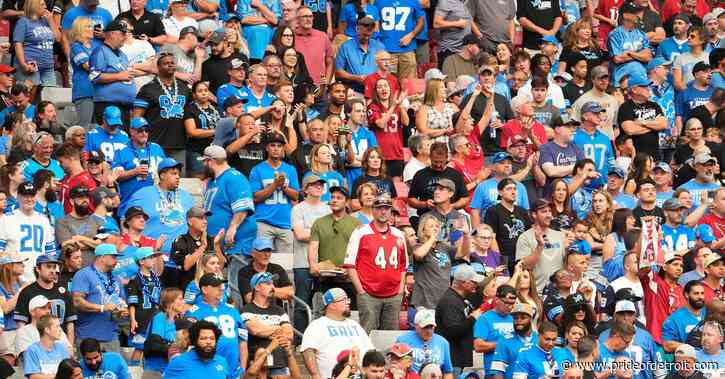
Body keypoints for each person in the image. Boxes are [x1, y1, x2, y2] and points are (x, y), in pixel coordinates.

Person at [344, 192, 407, 333]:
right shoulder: (361, 233)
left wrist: (400, 291)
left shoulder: (399, 234)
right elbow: (350, 264)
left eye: (386, 208)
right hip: (369, 294)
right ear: (373, 210)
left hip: (393, 295)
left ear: (391, 211)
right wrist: (361, 292)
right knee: (367, 334)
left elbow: (403, 266)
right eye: (379, 208)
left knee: (390, 336)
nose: (383, 211)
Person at [300, 288, 374, 379]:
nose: (348, 302)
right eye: (344, 300)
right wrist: (316, 375)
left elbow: (370, 350)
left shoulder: (355, 324)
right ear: (331, 304)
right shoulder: (317, 325)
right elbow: (308, 351)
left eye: (348, 299)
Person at [201, 145, 257, 264]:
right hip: (217, 249)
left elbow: (243, 207)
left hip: (236, 247)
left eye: (204, 162)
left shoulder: (234, 178)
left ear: (210, 161)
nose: (203, 166)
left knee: (235, 281)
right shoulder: (212, 182)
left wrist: (233, 227)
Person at [133, 52, 191, 166]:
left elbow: (189, 115)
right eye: (166, 63)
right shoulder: (148, 89)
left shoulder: (184, 88)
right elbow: (136, 117)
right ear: (158, 67)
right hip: (154, 143)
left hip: (179, 143)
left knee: (177, 179)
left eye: (172, 63)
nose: (170, 65)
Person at [186, 273, 248, 377]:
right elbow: (190, 345)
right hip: (207, 369)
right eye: (216, 286)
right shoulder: (193, 312)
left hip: (234, 369)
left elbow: (242, 340)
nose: (221, 288)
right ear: (205, 290)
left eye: (221, 285)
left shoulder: (232, 310)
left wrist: (243, 367)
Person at [291, 174, 330, 332]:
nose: (319, 186)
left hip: (325, 263)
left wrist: (312, 233)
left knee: (326, 303)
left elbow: (332, 235)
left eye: (321, 184)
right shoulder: (298, 209)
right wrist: (322, 233)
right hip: (302, 263)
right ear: (306, 189)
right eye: (314, 184)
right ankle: (300, 338)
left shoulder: (327, 208)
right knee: (302, 303)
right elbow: (299, 234)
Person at [70, 244, 128, 352]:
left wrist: (121, 312)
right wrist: (102, 308)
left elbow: (121, 303)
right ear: (102, 257)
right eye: (113, 257)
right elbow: (77, 302)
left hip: (111, 337)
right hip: (88, 336)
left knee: (112, 368)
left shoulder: (116, 279)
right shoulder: (84, 274)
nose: (116, 261)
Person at [249, 133, 299, 257]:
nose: (276, 148)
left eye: (279, 146)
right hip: (264, 222)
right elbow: (255, 197)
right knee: (262, 260)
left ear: (283, 148)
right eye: (272, 145)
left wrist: (283, 186)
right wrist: (274, 185)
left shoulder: (290, 169)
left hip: (285, 223)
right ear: (267, 148)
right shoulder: (257, 169)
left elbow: (296, 196)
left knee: (286, 265)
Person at [308, 186, 360, 298]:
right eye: (332, 197)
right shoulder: (319, 223)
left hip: (349, 279)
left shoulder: (356, 224)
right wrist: (313, 265)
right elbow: (313, 247)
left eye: (339, 198)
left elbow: (361, 251)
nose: (334, 200)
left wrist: (352, 268)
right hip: (325, 279)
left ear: (347, 202)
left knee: (351, 313)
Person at [0, 181, 56, 280]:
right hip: (14, 278)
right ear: (18, 197)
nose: (29, 199)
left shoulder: (44, 220)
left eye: (32, 195)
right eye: (25, 196)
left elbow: (50, 253)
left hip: (39, 278)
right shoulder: (6, 219)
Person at [15, 255, 76, 345]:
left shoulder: (64, 292)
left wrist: (70, 346)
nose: (53, 270)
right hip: (35, 342)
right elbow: (21, 323)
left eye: (54, 267)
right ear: (38, 269)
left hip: (60, 341)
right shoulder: (27, 292)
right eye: (48, 267)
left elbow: (70, 323)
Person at [241, 272, 293, 376]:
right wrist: (278, 328)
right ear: (257, 287)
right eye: (268, 283)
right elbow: (256, 330)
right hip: (258, 364)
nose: (273, 287)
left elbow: (289, 334)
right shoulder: (246, 310)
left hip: (280, 363)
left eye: (273, 284)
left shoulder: (280, 310)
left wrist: (267, 330)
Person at [435, 264, 483, 375]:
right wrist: (472, 318)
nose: (476, 285)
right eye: (473, 282)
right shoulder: (450, 301)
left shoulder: (459, 298)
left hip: (458, 359)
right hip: (452, 360)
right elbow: (452, 330)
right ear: (463, 283)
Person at [516, 199, 568, 294]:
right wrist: (540, 246)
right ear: (534, 214)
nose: (549, 215)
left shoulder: (560, 235)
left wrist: (570, 249)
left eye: (549, 211)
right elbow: (524, 267)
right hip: (537, 293)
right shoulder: (525, 237)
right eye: (544, 211)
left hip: (560, 292)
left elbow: (566, 264)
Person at [89, 20, 136, 122]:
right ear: (112, 34)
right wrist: (119, 76)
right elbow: (94, 76)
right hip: (107, 105)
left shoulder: (123, 54)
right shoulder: (100, 51)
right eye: (122, 34)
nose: (125, 37)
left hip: (125, 107)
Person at [407, 142, 469, 219]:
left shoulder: (455, 174)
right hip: (427, 217)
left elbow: (465, 198)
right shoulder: (420, 175)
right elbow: (411, 199)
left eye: (441, 162)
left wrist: (452, 206)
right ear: (430, 157)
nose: (438, 165)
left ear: (447, 158)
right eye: (435, 162)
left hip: (451, 216)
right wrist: (424, 204)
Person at [618, 75, 668, 158]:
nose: (649, 88)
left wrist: (642, 123)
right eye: (645, 87)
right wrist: (653, 126)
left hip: (655, 156)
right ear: (634, 90)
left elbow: (663, 124)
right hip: (635, 157)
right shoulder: (625, 107)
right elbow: (630, 130)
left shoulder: (654, 105)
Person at [394, 309, 454, 377]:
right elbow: (395, 366)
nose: (429, 331)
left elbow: (448, 372)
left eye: (431, 327)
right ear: (416, 326)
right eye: (425, 327)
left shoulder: (443, 342)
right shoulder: (403, 339)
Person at [162, 320, 229, 379]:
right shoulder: (179, 362)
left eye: (212, 338)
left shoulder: (222, 361)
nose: (208, 342)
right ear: (195, 341)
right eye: (203, 338)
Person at [473, 285, 516, 374]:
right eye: (506, 303)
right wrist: (504, 344)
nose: (510, 307)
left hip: (513, 370)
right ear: (496, 300)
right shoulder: (485, 318)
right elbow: (478, 346)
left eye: (512, 303)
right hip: (493, 371)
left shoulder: (515, 318)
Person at [336, 16, 385, 93]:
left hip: (376, 90)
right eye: (364, 35)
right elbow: (338, 72)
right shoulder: (346, 46)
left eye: (369, 35)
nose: (366, 38)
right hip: (353, 90)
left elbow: (387, 69)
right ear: (357, 29)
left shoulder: (379, 46)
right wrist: (355, 78)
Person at [56, 186, 104, 264]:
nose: (85, 200)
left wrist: (80, 238)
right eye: (81, 198)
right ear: (72, 201)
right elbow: (67, 247)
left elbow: (102, 246)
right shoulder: (62, 222)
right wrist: (93, 243)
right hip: (73, 271)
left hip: (95, 269)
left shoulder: (96, 220)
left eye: (87, 197)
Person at [237, 238, 293, 304]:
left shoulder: (277, 269)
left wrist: (269, 291)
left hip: (276, 312)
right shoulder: (244, 272)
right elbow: (249, 299)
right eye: (262, 251)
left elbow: (290, 292)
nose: (266, 254)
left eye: (269, 251)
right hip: (253, 312)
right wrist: (278, 292)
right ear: (253, 253)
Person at [608, 2, 652, 85]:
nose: (637, 15)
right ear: (625, 15)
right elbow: (618, 59)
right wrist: (640, 55)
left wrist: (630, 53)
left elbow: (647, 57)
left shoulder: (641, 34)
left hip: (641, 78)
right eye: (634, 13)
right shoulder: (615, 34)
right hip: (621, 80)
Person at [571, 66, 619, 139]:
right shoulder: (582, 100)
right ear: (593, 79)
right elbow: (574, 124)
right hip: (588, 143)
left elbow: (615, 125)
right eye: (600, 78)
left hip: (608, 143)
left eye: (606, 78)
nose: (604, 81)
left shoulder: (613, 100)